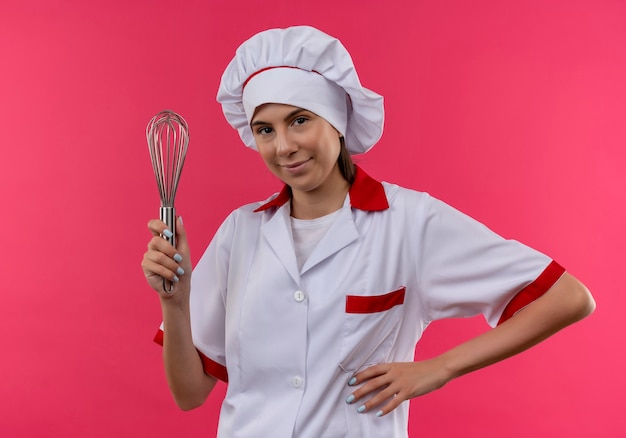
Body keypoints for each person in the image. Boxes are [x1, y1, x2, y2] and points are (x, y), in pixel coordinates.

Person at [141, 25, 595, 438]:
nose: (283, 146)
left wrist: (440, 368)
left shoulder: (410, 222)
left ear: (336, 121)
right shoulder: (240, 232)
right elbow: (190, 394)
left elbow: (569, 298)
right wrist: (175, 304)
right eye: (265, 129)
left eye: (300, 120)